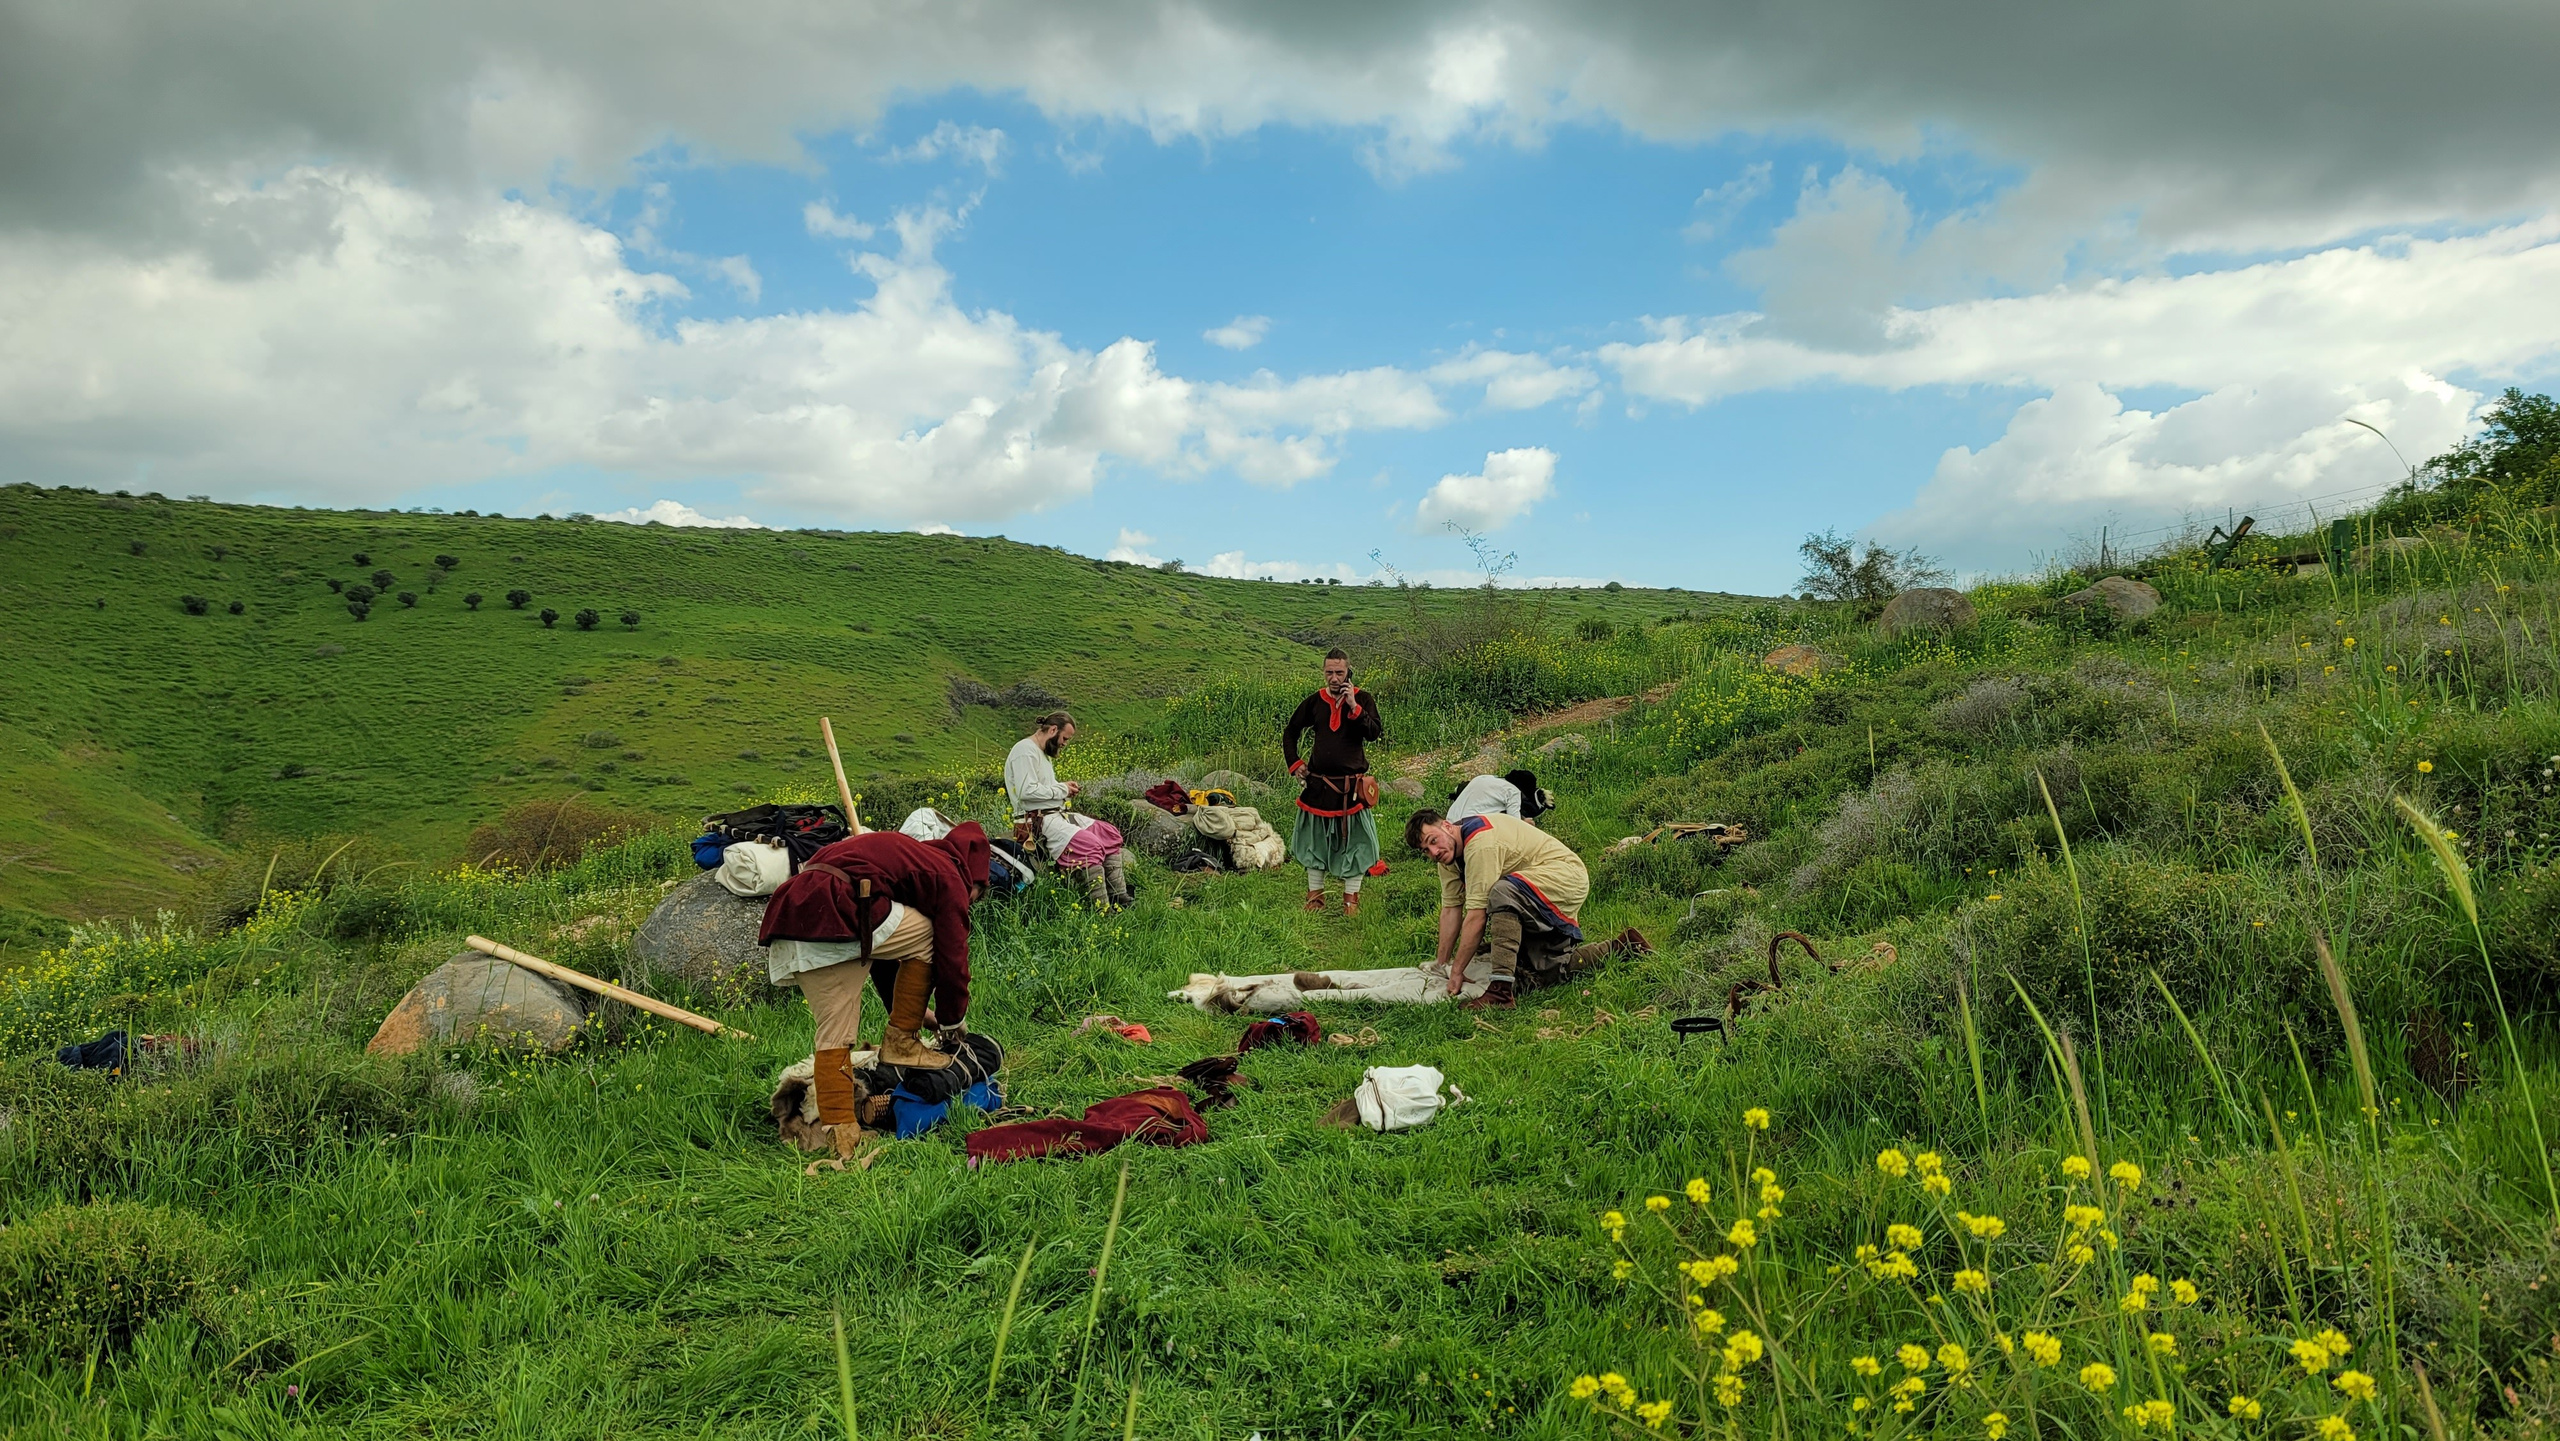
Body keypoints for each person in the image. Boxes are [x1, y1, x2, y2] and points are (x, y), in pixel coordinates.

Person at [757, 823, 993, 1141]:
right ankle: (902, 1044)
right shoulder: (950, 875)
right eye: (974, 896)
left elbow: (883, 949)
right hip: (841, 905)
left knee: (833, 1036)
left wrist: (915, 1014)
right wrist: (952, 1022)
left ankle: (839, 1131)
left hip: (792, 913)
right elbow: (952, 955)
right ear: (974, 879)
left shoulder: (907, 858)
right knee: (927, 931)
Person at [1405, 808, 1650, 1009]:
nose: (1434, 852)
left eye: (1433, 841)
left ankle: (1500, 991)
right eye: (1425, 850)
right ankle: (1622, 946)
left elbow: (1477, 915)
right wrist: (1441, 964)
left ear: (1447, 826)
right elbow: (1450, 909)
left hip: (1565, 877)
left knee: (1501, 892)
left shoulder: (1480, 845)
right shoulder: (1448, 857)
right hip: (1534, 886)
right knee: (1541, 970)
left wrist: (1457, 971)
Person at [1283, 648, 1383, 915]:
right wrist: (1295, 764)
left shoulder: (1363, 699)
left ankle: (1351, 901)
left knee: (1359, 844)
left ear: (1348, 671)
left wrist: (1353, 706)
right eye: (1329, 672)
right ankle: (1315, 898)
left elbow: (1374, 733)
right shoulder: (1314, 702)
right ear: (1324, 672)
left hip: (1353, 789)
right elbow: (1291, 731)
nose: (1334, 678)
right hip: (1318, 786)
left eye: (1339, 672)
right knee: (1313, 843)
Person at [1003, 710, 1132, 907]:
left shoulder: (1041, 753)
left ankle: (1120, 898)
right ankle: (1102, 909)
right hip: (1036, 820)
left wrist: (1064, 789)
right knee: (1089, 844)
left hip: (1056, 815)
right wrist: (1061, 789)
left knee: (1108, 833)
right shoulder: (1024, 751)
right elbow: (1025, 791)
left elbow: (1043, 788)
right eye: (1064, 738)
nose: (1064, 744)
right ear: (1053, 730)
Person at [1446, 768, 1556, 825]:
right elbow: (1515, 825)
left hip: (1449, 824)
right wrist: (1525, 824)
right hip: (1468, 829)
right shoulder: (1513, 791)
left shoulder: (1483, 778)